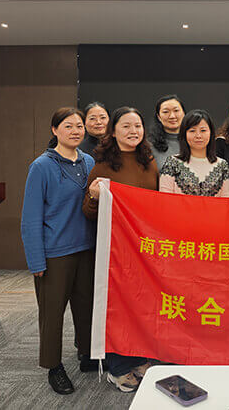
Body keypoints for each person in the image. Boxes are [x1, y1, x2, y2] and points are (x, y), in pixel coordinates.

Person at [21, 107, 97, 395]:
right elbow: (30, 218)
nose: (76, 131)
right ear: (55, 130)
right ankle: (54, 366)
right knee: (52, 314)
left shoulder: (89, 161)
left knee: (86, 306)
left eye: (79, 126)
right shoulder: (41, 166)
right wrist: (36, 261)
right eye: (68, 126)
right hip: (55, 253)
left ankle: (87, 352)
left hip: (86, 248)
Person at [82, 107, 159, 392]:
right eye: (126, 126)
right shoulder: (102, 166)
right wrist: (93, 197)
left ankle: (138, 358)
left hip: (144, 249)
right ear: (113, 131)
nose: (133, 131)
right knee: (118, 307)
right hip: (115, 250)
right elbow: (88, 211)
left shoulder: (149, 162)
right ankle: (118, 367)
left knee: (141, 305)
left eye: (137, 126)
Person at [160, 109, 229, 197]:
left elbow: (225, 201)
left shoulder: (222, 165)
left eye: (203, 130)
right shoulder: (172, 163)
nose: (198, 136)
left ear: (211, 133)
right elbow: (165, 200)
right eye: (192, 131)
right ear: (184, 134)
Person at [149, 94, 186, 172]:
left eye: (176, 111)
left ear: (184, 113)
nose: (172, 116)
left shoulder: (196, 141)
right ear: (159, 117)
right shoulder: (150, 146)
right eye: (166, 112)